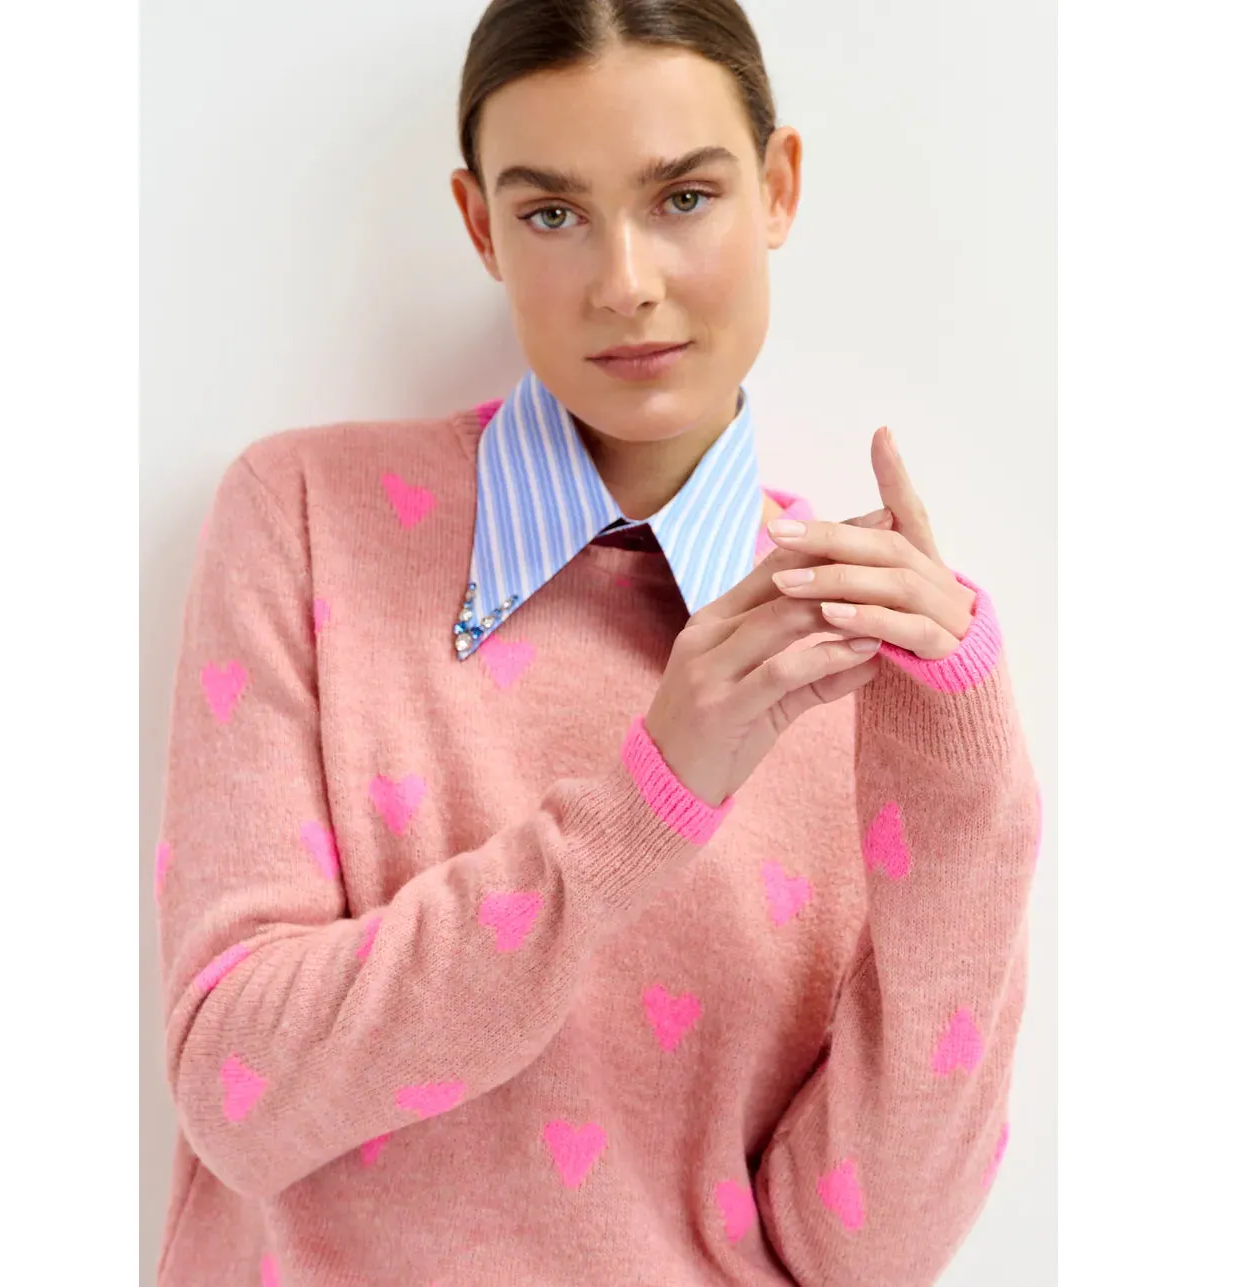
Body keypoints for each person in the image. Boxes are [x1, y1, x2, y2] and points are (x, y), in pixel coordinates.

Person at [153, 1, 1040, 1283]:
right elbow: (239, 1097)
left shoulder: (851, 644)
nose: (625, 280)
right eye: (554, 213)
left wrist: (965, 786)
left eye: (684, 197)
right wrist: (649, 798)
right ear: (480, 226)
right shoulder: (303, 518)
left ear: (778, 188)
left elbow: (864, 1251)